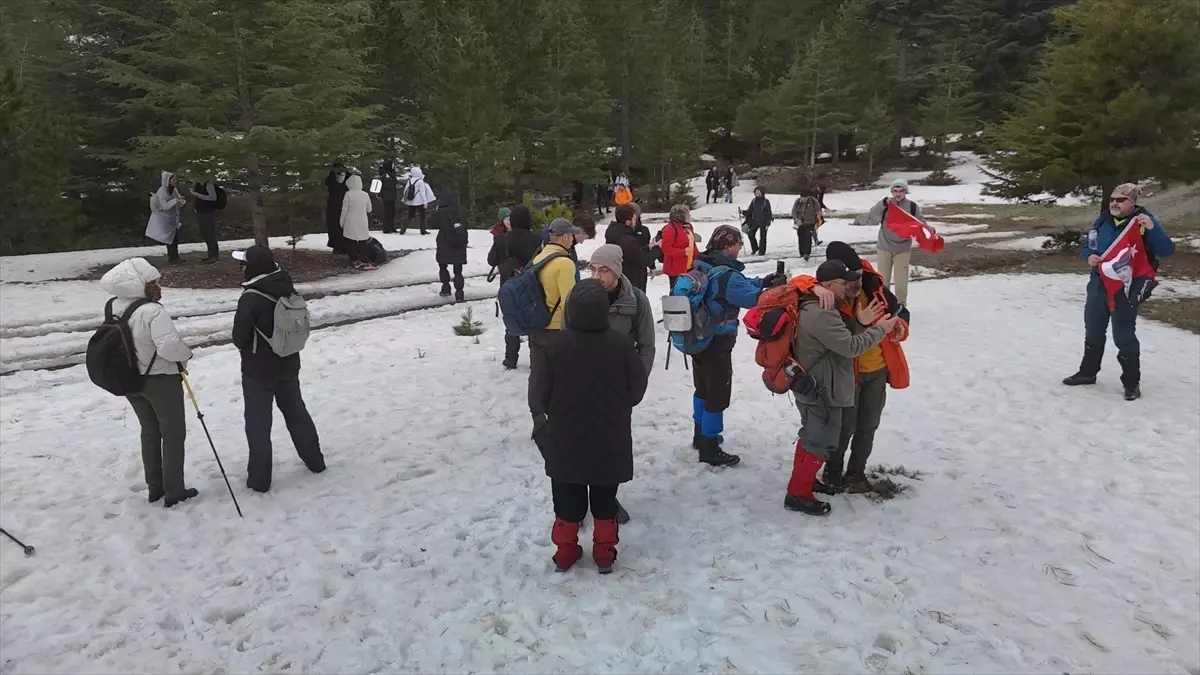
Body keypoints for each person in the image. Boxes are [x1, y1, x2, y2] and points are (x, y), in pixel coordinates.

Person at [532, 279, 648, 574]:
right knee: (605, 499)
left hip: (565, 437)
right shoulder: (621, 344)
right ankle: (605, 553)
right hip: (609, 437)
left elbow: (538, 393)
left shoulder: (554, 345)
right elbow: (636, 389)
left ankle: (566, 552)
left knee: (567, 499)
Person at [784, 260, 899, 515]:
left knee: (812, 435)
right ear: (827, 285)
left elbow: (838, 339)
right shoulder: (822, 313)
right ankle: (798, 494)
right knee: (820, 439)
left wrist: (860, 322)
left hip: (815, 383)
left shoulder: (817, 306)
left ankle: (803, 481)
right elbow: (849, 347)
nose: (848, 286)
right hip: (823, 387)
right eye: (842, 282)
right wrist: (879, 330)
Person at [99, 257, 197, 507]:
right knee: (173, 434)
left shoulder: (113, 306)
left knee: (150, 432)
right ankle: (174, 490)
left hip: (131, 380)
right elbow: (169, 347)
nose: (158, 286)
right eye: (153, 282)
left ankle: (155, 487)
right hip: (160, 381)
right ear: (140, 284)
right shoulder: (153, 311)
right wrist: (186, 354)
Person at [1063, 183, 1175, 401]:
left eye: (1120, 200)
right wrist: (1088, 256)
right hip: (1098, 283)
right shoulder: (1103, 219)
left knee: (1123, 335)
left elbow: (1166, 250)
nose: (1114, 202)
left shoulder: (1143, 222)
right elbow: (1089, 243)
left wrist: (1153, 229)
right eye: (1112, 198)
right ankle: (1087, 373)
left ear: (1132, 203)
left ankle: (1131, 383)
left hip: (1126, 287)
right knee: (1093, 329)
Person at [689, 225, 787, 467]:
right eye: (738, 244)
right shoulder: (727, 274)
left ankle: (700, 435)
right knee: (718, 393)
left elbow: (738, 286)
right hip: (717, 342)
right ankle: (710, 446)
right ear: (728, 245)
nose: (739, 248)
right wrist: (773, 290)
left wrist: (762, 281)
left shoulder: (702, 265)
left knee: (702, 387)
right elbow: (750, 298)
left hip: (697, 337)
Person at [232, 246, 325, 493]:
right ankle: (315, 461)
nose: (241, 267)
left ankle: (260, 480)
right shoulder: (285, 285)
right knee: (296, 412)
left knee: (258, 424)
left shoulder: (251, 297)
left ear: (250, 267)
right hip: (288, 362)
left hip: (258, 370)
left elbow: (238, 337)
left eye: (243, 264)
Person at [823, 241, 911, 493]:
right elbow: (838, 339)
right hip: (847, 375)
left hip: (878, 369)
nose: (856, 283)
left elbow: (900, 311)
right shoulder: (828, 295)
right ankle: (833, 470)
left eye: (858, 275)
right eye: (850, 279)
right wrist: (861, 323)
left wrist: (899, 326)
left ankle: (856, 472)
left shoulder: (872, 284)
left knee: (868, 425)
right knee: (844, 427)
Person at [528, 218, 583, 436]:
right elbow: (570, 301)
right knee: (563, 377)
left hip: (537, 326)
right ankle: (562, 420)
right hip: (557, 330)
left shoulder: (539, 257)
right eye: (571, 236)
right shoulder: (565, 263)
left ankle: (538, 418)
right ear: (565, 236)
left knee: (538, 374)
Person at [488, 205, 542, 369]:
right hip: (531, 287)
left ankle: (510, 359)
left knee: (511, 322)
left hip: (508, 286)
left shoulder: (502, 239)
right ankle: (536, 360)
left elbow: (491, 261)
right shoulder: (537, 239)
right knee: (533, 323)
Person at [866, 178, 925, 304]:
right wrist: (882, 203)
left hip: (902, 249)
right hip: (884, 247)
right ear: (891, 191)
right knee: (883, 281)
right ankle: (884, 305)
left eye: (901, 190)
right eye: (895, 190)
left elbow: (920, 223)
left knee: (901, 282)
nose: (898, 194)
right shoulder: (886, 205)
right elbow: (872, 215)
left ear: (906, 192)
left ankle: (901, 306)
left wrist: (929, 230)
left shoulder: (912, 207)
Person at [605, 204, 651, 292]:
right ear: (627, 222)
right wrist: (657, 248)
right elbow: (643, 259)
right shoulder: (626, 239)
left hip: (622, 279)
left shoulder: (614, 232)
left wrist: (648, 247)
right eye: (634, 219)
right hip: (631, 281)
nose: (636, 222)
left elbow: (633, 253)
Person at [432, 191, 469, 302]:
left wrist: (436, 211)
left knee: (443, 267)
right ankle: (459, 294)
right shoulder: (459, 212)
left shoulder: (440, 213)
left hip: (444, 243)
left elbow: (431, 223)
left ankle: (446, 288)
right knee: (458, 271)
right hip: (458, 244)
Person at [145, 171, 186, 264]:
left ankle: (175, 257)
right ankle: (173, 258)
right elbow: (164, 206)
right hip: (164, 219)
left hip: (173, 218)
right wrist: (175, 200)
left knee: (175, 238)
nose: (174, 180)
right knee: (170, 239)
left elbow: (178, 200)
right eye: (172, 179)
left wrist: (181, 201)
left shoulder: (174, 189)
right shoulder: (162, 191)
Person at [658, 204, 699, 289]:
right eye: (687, 214)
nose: (690, 216)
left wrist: (698, 257)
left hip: (690, 267)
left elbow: (692, 244)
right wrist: (683, 252)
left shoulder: (689, 227)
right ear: (680, 216)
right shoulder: (670, 229)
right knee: (677, 294)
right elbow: (666, 249)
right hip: (676, 270)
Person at [339, 174, 375, 271]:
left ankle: (355, 261)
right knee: (363, 241)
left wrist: (341, 222)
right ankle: (366, 261)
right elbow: (369, 209)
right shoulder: (365, 194)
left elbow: (344, 209)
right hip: (362, 219)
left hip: (350, 220)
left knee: (351, 241)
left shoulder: (348, 194)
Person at [190, 177, 221, 263]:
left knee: (210, 233)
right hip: (201, 212)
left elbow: (213, 197)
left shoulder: (208, 184)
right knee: (206, 234)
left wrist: (197, 195)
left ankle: (214, 255)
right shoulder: (197, 184)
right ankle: (210, 255)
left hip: (208, 212)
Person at [401, 166, 436, 235]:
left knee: (410, 216)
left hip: (411, 201)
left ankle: (403, 230)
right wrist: (425, 202)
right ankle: (423, 231)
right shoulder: (420, 182)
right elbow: (423, 193)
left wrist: (405, 199)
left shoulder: (409, 181)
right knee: (423, 216)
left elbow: (405, 191)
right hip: (420, 202)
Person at [325, 163, 350, 254]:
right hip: (334, 207)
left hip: (340, 206)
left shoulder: (346, 182)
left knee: (341, 227)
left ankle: (343, 246)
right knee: (334, 227)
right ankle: (337, 246)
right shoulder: (332, 181)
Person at [790, 189, 822, 262]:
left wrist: (818, 215)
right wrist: (796, 219)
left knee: (808, 237)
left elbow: (818, 210)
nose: (804, 199)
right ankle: (801, 252)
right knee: (801, 238)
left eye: (805, 197)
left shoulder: (813, 201)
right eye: (802, 197)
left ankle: (807, 253)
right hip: (800, 223)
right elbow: (793, 212)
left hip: (810, 223)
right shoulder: (798, 202)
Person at [744, 187, 773, 256]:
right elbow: (749, 211)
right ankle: (755, 248)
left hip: (764, 221)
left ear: (762, 192)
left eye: (758, 192)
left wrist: (768, 223)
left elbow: (769, 213)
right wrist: (743, 212)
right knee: (750, 233)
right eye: (756, 192)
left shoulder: (766, 201)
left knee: (762, 237)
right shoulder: (754, 201)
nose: (757, 193)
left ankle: (762, 252)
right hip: (755, 221)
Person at [378, 161, 399, 234]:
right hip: (386, 196)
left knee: (392, 212)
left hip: (392, 195)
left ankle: (391, 227)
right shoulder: (384, 174)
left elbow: (395, 182)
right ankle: (386, 228)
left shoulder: (391, 173)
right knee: (387, 212)